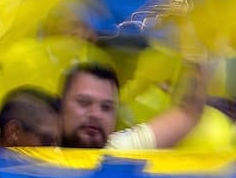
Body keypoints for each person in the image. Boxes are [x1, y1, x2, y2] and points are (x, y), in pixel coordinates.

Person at [58, 62, 205, 150]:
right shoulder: (36, 144)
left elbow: (188, 113)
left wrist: (197, 49)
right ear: (60, 105)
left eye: (106, 107)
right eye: (84, 103)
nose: (96, 114)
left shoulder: (118, 150)